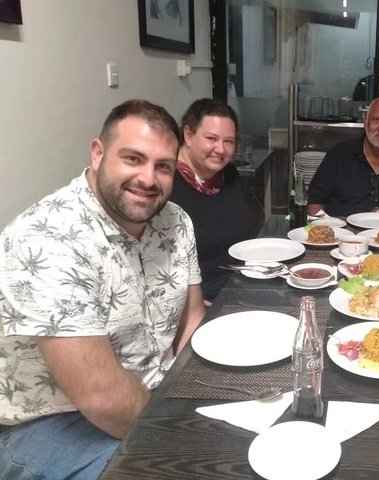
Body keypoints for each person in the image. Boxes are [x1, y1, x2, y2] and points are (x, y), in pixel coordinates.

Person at [0, 99, 206, 478]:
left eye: (163, 166)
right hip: (54, 423)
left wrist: (200, 395)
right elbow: (101, 397)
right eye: (133, 159)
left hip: (154, 395)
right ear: (98, 153)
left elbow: (192, 317)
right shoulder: (47, 239)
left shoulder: (176, 222)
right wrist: (186, 436)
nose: (148, 179)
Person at [169, 98, 263, 302]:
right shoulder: (167, 184)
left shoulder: (229, 174)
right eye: (211, 138)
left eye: (228, 141)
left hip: (245, 284)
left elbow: (253, 222)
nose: (220, 149)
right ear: (188, 135)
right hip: (201, 300)